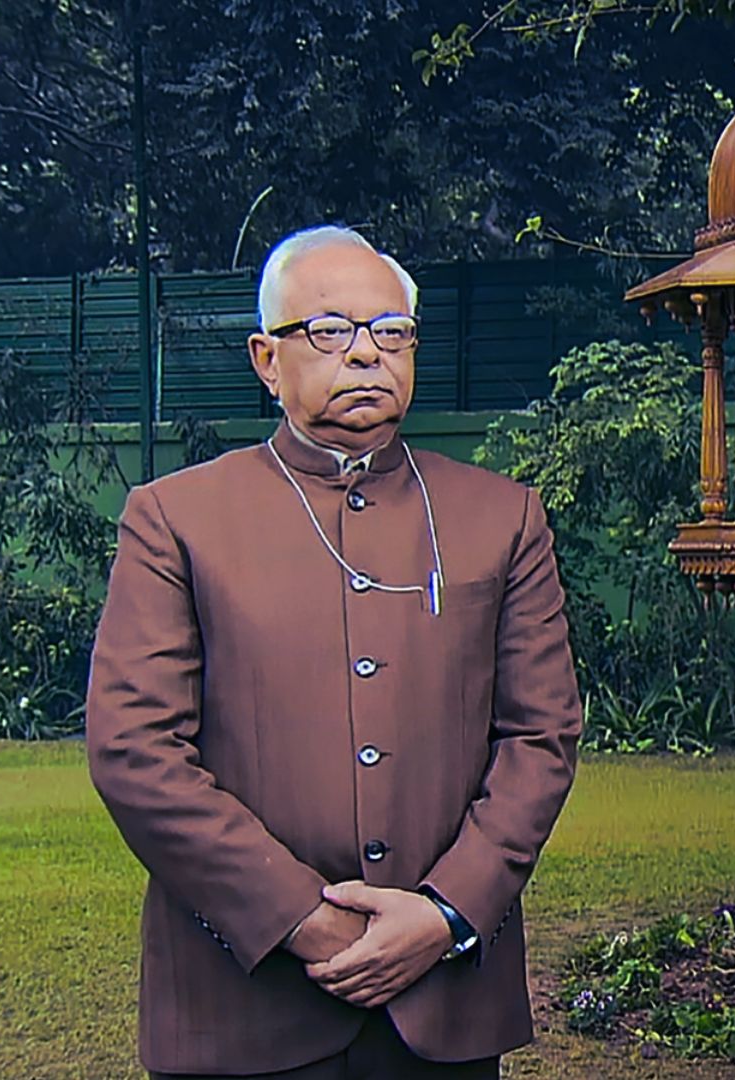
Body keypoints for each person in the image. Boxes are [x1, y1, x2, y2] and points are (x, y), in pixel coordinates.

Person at [85, 225, 584, 1079]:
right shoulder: (177, 519)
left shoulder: (501, 518)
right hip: (242, 1011)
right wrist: (300, 920)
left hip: (444, 1007)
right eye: (329, 331)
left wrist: (445, 914)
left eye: (390, 333)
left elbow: (541, 738)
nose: (365, 356)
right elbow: (135, 753)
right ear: (266, 360)